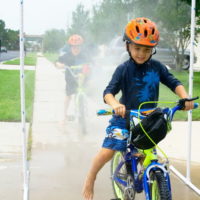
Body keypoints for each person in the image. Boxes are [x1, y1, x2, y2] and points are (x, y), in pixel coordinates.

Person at [82, 17, 194, 200]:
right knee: (109, 150)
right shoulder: (123, 69)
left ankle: (150, 179)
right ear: (128, 46)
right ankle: (90, 178)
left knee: (148, 154)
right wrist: (116, 104)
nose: (141, 53)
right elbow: (108, 92)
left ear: (153, 49)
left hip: (147, 120)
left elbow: (174, 82)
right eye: (137, 48)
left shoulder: (157, 68)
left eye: (147, 49)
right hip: (123, 117)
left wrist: (185, 98)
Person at [55, 34, 90, 122]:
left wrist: (91, 66)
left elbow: (91, 62)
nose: (76, 48)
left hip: (82, 78)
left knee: (85, 92)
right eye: (74, 46)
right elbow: (57, 62)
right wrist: (59, 65)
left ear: (80, 46)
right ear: (70, 46)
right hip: (71, 79)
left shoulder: (84, 55)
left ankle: (84, 110)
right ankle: (64, 115)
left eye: (78, 46)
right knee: (68, 96)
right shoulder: (66, 56)